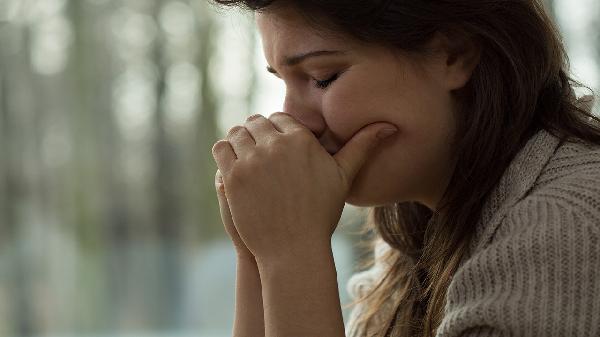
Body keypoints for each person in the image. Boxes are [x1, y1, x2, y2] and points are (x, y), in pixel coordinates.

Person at [209, 0, 600, 336]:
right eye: (285, 82)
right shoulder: (414, 239)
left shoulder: (560, 228)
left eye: (322, 78)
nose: (295, 120)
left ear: (453, 54)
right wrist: (259, 253)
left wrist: (292, 253)